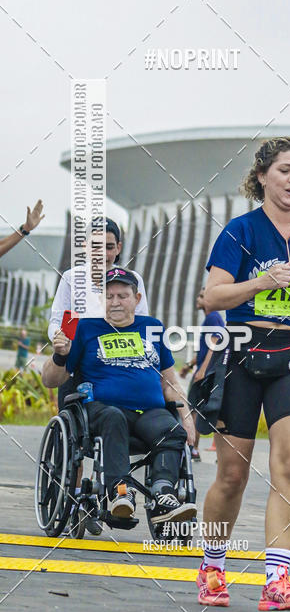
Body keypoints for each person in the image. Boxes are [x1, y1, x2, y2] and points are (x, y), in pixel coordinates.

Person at [197, 137, 290, 612]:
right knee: (231, 474)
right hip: (242, 355)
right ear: (263, 177)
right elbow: (212, 297)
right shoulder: (240, 231)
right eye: (285, 170)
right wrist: (261, 282)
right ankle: (213, 568)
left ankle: (276, 582)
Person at [42, 267, 197, 525]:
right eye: (109, 296)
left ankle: (164, 492)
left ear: (136, 299)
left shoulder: (153, 327)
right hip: (104, 410)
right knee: (114, 418)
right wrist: (60, 355)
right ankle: (120, 493)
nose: (115, 302)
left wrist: (187, 417)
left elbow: (169, 381)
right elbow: (51, 379)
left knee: (172, 429)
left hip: (150, 412)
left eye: (122, 296)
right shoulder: (86, 329)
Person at [48, 217, 148, 340]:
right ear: (85, 246)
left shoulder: (133, 279)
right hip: (80, 350)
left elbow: (142, 321)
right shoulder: (71, 277)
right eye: (95, 246)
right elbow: (56, 320)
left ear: (118, 248)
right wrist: (58, 337)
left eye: (109, 247)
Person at [180, 287, 225, 460]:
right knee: (200, 409)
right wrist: (188, 365)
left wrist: (203, 370)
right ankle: (197, 449)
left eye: (201, 296)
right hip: (206, 369)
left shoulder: (213, 317)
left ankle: (193, 449)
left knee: (193, 410)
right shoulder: (210, 318)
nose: (198, 299)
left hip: (207, 371)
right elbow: (204, 349)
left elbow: (214, 344)